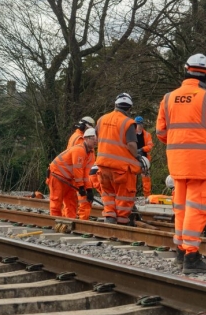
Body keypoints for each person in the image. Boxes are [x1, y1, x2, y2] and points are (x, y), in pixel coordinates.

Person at [156, 53, 206, 274]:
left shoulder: (168, 98)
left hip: (178, 164)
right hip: (202, 165)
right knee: (197, 209)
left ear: (186, 70)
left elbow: (161, 132)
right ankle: (191, 255)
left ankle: (181, 251)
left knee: (180, 206)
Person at [95, 93, 149, 225]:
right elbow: (131, 144)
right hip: (121, 168)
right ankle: (122, 222)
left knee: (108, 193)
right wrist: (136, 156)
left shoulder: (101, 119)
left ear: (115, 105)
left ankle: (109, 217)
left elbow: (97, 138)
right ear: (129, 109)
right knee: (123, 195)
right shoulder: (128, 123)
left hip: (102, 165)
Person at [47, 128, 97, 218]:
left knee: (71, 202)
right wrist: (81, 187)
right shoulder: (79, 150)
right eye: (93, 138)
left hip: (69, 178)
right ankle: (55, 221)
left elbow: (86, 174)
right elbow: (77, 170)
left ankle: (71, 222)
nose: (95, 141)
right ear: (86, 138)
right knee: (56, 200)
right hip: (57, 175)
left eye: (96, 139)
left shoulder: (91, 154)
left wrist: (89, 189)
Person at [134, 116, 154, 197]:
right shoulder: (131, 134)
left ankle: (147, 196)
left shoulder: (147, 134)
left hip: (144, 160)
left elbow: (150, 146)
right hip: (133, 159)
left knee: (146, 180)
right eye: (138, 124)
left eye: (141, 124)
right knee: (132, 179)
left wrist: (142, 149)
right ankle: (132, 196)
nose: (140, 126)